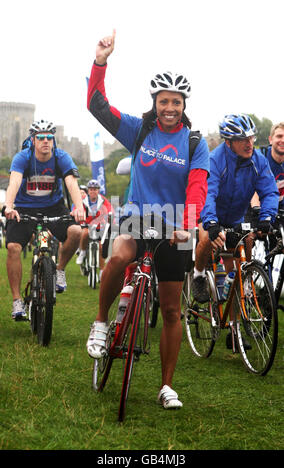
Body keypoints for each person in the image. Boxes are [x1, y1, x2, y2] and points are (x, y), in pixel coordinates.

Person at [86, 30, 210, 409]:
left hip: (176, 224)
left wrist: (188, 224)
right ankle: (102, 322)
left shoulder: (194, 142)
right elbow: (97, 106)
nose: (169, 107)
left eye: (175, 101)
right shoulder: (140, 130)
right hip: (135, 216)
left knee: (172, 309)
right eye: (163, 101)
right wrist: (100, 61)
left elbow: (197, 187)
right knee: (120, 257)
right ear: (154, 103)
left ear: (183, 104)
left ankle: (166, 386)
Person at [192, 114, 279, 346]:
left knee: (239, 269)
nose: (249, 143)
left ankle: (234, 330)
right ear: (228, 142)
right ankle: (199, 275)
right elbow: (208, 193)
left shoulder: (257, 159)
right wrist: (210, 223)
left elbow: (269, 191)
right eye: (242, 139)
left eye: (251, 137)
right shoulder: (215, 159)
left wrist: (266, 216)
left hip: (237, 217)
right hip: (211, 215)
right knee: (204, 240)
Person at [4, 119, 85, 320]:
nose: (46, 141)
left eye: (49, 137)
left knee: (76, 231)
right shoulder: (22, 158)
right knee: (13, 247)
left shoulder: (61, 157)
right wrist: (9, 206)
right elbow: (14, 182)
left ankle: (59, 270)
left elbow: (71, 183)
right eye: (41, 138)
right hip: (24, 208)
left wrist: (79, 207)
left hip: (53, 207)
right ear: (33, 140)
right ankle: (16, 301)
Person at [76, 179, 114, 279]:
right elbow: (78, 209)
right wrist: (79, 214)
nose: (93, 191)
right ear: (88, 191)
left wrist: (110, 214)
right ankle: (83, 252)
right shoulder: (84, 201)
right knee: (84, 233)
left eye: (95, 189)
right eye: (91, 189)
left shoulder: (103, 200)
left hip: (99, 226)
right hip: (87, 224)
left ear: (98, 190)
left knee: (101, 247)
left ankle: (102, 270)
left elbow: (110, 209)